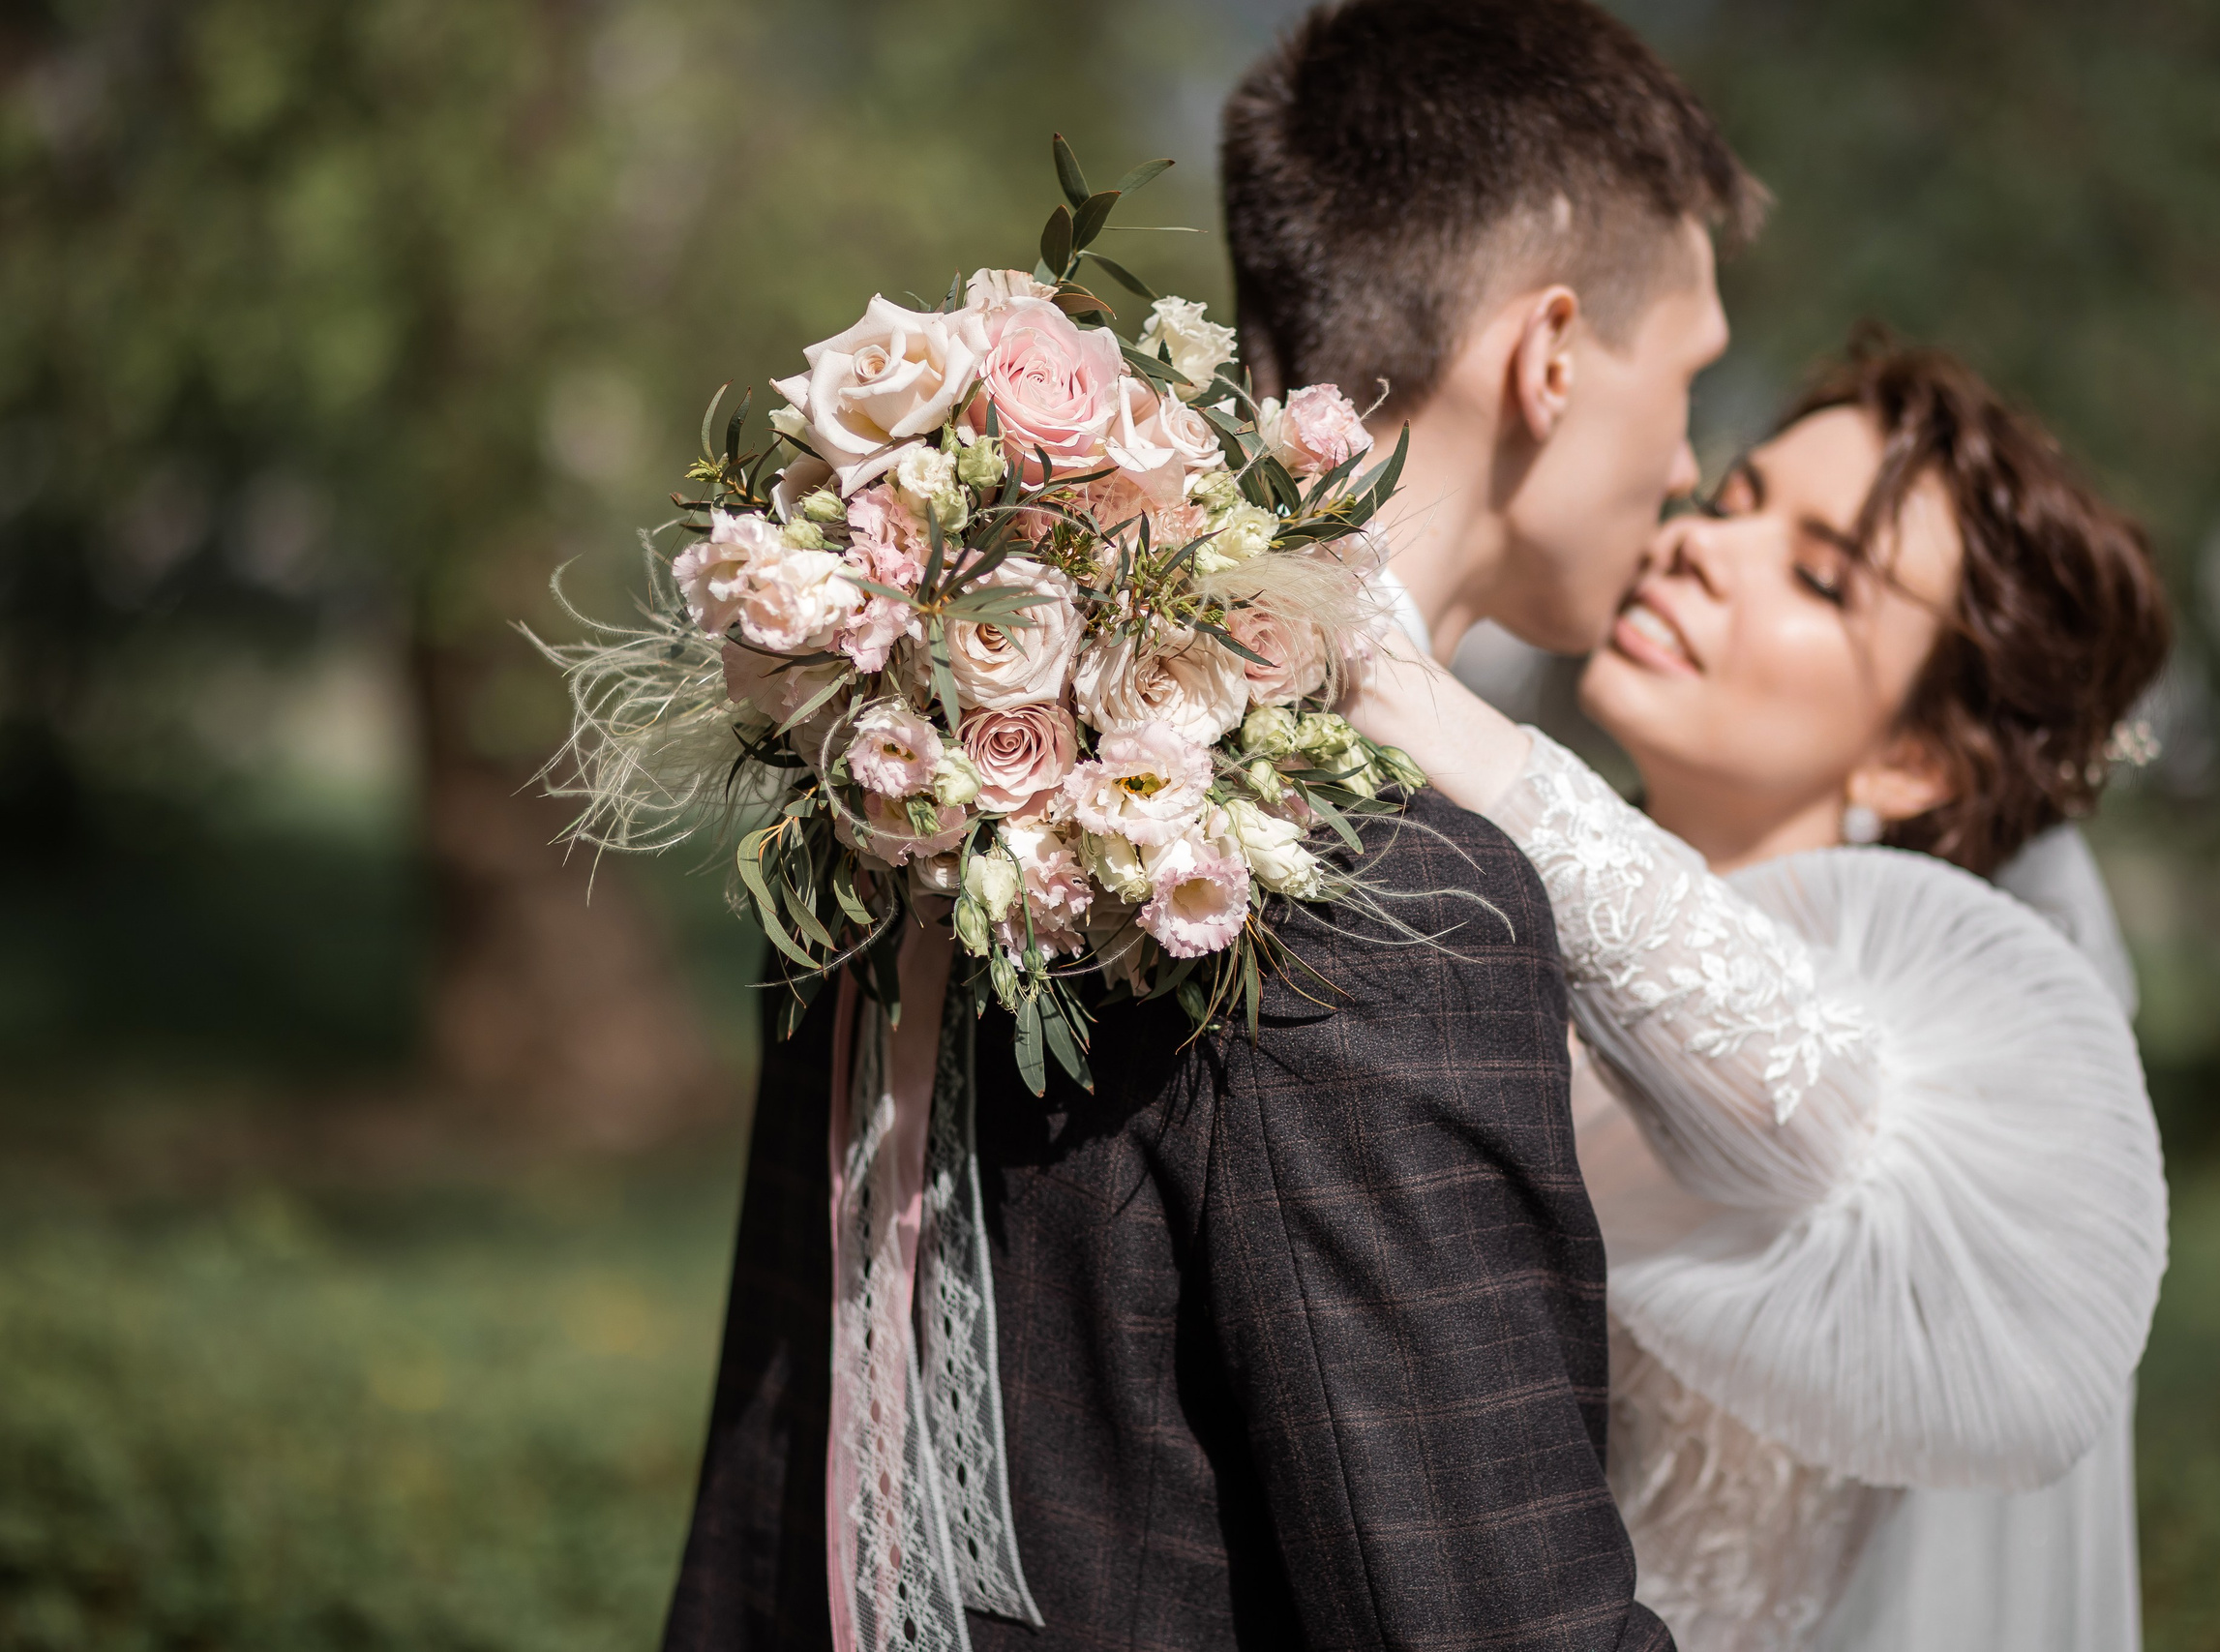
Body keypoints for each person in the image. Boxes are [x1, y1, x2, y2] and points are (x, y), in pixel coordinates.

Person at [656, 3, 1761, 1648]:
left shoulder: (897, 752)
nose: (1685, 464)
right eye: (1689, 383)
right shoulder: (1394, 906)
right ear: (1548, 357)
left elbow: (772, 1479)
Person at [1345, 339, 2175, 1652]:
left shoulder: (1897, 1082)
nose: (1701, 548)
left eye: (1818, 574)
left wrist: (1380, 672)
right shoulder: (1474, 910)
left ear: (1913, 756)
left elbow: (1808, 1114)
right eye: (1732, 501)